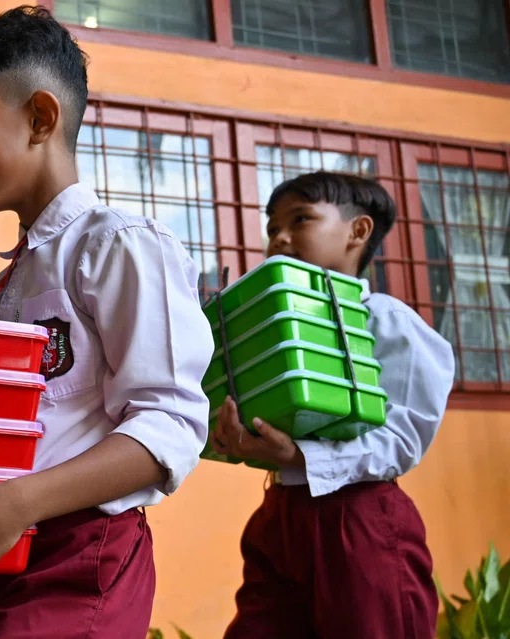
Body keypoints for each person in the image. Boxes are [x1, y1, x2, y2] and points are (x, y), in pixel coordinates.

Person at [0, 6, 212, 638]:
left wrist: (15, 502)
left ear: (40, 117)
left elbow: (171, 424)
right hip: (9, 550)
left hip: (84, 551)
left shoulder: (120, 246)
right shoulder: (1, 292)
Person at [211, 171, 455, 639]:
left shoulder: (385, 320)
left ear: (358, 232)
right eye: (272, 228)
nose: (279, 236)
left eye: (300, 219)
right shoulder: (273, 324)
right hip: (278, 515)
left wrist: (300, 456)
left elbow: (401, 439)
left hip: (358, 519)